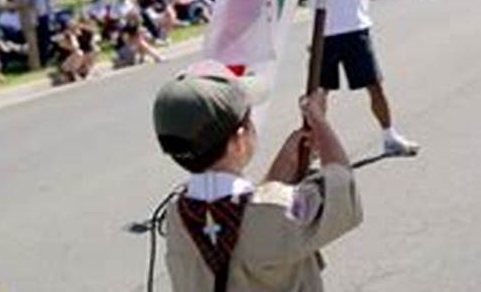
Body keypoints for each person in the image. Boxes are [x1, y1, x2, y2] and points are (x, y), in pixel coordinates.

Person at [153, 64, 362, 291]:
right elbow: (342, 188)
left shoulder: (178, 215)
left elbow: (248, 220)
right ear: (239, 139)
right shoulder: (274, 210)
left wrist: (286, 165)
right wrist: (320, 122)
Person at [302, 0, 420, 156]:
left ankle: (389, 136)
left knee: (374, 85)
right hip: (325, 32)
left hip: (354, 28)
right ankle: (316, 147)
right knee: (319, 93)